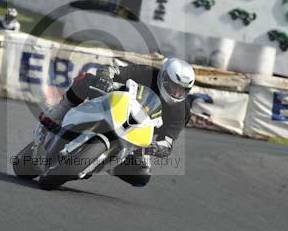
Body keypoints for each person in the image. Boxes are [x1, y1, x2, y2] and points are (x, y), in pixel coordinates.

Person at [39, 58, 195, 187]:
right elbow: (111, 69)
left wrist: (158, 148)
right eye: (174, 86)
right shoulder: (147, 72)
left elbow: (168, 141)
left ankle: (102, 166)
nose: (176, 92)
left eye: (181, 90)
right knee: (88, 79)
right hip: (116, 105)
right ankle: (60, 112)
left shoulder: (182, 111)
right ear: (164, 77)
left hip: (139, 134)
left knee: (142, 176)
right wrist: (105, 77)